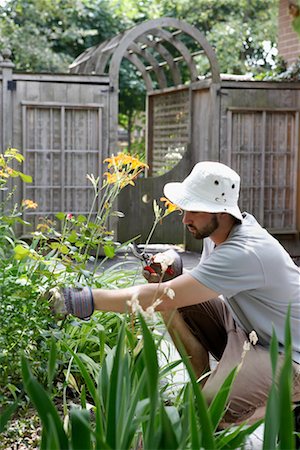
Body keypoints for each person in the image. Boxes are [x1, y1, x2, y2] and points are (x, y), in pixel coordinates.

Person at [51, 161, 300, 427]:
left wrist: (84, 299)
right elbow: (193, 285)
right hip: (252, 332)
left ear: (222, 212)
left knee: (211, 408)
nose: (185, 218)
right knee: (183, 301)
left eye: (194, 209)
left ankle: (282, 407)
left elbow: (164, 295)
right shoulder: (218, 234)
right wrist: (172, 264)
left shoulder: (245, 251)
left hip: (289, 356)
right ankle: (205, 395)